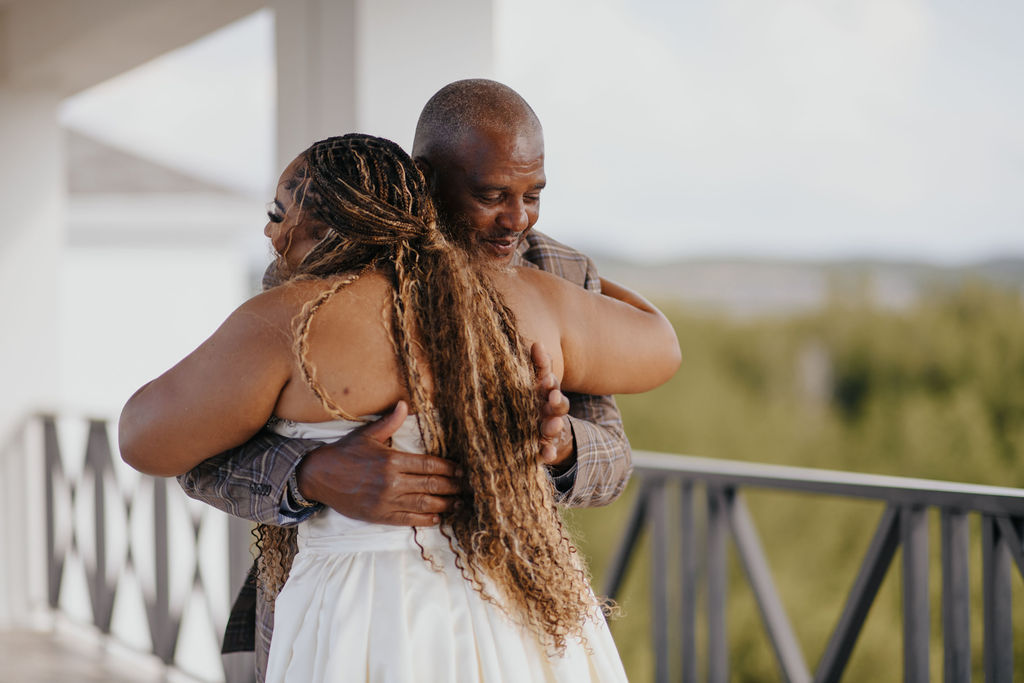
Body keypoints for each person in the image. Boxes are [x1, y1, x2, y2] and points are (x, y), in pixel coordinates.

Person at [120, 134, 680, 681]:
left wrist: (558, 447)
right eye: (492, 196)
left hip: (362, 608)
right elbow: (661, 346)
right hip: (517, 604)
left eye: (277, 212)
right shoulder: (533, 296)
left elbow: (141, 437)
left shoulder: (288, 319)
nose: (269, 232)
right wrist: (308, 475)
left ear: (324, 223)